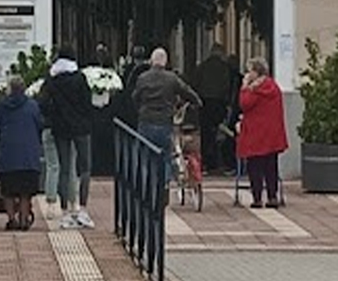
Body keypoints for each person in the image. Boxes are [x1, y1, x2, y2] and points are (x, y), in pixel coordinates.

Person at [40, 45, 95, 229]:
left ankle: (64, 212)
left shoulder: (52, 79)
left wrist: (55, 115)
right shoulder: (80, 78)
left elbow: (43, 103)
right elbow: (88, 102)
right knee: (84, 168)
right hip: (81, 128)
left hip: (61, 128)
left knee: (64, 169)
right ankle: (82, 209)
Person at [0, 75, 43, 231]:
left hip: (8, 158)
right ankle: (24, 220)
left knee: (7, 191)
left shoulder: (2, 106)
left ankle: (11, 219)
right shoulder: (33, 106)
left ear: (9, 90)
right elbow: (40, 124)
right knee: (25, 192)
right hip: (28, 158)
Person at [131, 48, 202, 187]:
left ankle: (146, 185)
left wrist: (140, 111)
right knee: (165, 156)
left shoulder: (143, 78)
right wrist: (197, 101)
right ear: (165, 62)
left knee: (145, 157)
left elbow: (135, 97)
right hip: (164, 122)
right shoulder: (171, 78)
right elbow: (186, 91)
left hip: (146, 121)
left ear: (152, 61)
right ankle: (164, 185)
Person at [236, 57, 288, 209]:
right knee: (271, 166)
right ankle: (272, 196)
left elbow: (244, 104)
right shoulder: (273, 87)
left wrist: (244, 87)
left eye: (250, 70)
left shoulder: (254, 90)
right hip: (272, 134)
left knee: (255, 167)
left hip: (256, 133)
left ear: (256, 72)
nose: (247, 74)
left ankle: (257, 198)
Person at [194, 44, 233, 172]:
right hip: (219, 103)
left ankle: (206, 160)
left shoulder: (203, 66)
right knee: (219, 132)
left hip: (205, 102)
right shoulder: (224, 68)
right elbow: (227, 85)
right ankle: (217, 160)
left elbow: (196, 83)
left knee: (206, 133)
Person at [88, 45, 117, 180]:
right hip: (105, 113)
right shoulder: (110, 76)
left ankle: (99, 167)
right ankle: (104, 168)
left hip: (97, 113)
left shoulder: (94, 76)